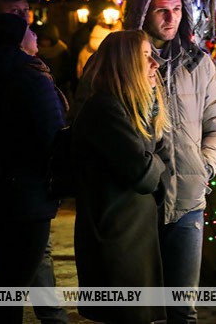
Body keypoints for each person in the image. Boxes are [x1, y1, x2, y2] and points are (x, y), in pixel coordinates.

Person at [72, 0, 216, 324]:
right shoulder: (114, 61)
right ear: (143, 12)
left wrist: (203, 167)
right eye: (162, 11)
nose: (171, 18)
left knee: (181, 308)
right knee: (138, 307)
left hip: (186, 199)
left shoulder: (198, 63)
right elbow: (86, 122)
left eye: (177, 9)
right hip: (133, 204)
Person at [0, 0, 68, 324]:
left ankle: (38, 312)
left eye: (26, 12)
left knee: (9, 272)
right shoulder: (24, 72)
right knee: (8, 271)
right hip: (25, 188)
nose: (27, 21)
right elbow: (52, 133)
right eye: (16, 14)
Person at [72, 30, 170, 323]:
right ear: (125, 63)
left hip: (132, 230)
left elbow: (155, 159)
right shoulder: (105, 108)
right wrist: (157, 159)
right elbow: (144, 175)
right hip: (116, 234)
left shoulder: (130, 108)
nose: (155, 63)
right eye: (145, 55)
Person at [34, 23, 71, 100]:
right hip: (42, 88)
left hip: (60, 87)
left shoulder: (61, 50)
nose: (44, 42)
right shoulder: (35, 51)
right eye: (42, 39)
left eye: (47, 39)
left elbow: (67, 70)